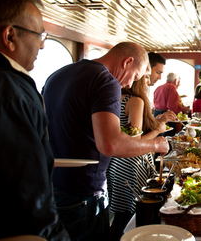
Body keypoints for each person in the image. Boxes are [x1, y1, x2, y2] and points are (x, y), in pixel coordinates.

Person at [43, 42, 169, 241]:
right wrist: (156, 144)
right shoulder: (106, 80)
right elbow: (111, 144)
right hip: (85, 191)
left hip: (53, 186)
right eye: (135, 77)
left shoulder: (58, 74)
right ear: (127, 62)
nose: (129, 85)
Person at [0, 0, 69, 240]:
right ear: (10, 37)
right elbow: (30, 203)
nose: (42, 46)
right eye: (39, 35)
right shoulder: (8, 92)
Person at [107, 70, 171, 241]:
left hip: (116, 163)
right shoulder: (135, 101)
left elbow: (126, 134)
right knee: (133, 218)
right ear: (138, 79)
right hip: (132, 165)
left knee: (120, 216)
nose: (149, 81)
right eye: (147, 77)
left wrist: (156, 123)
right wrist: (158, 131)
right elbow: (133, 142)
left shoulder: (117, 97)